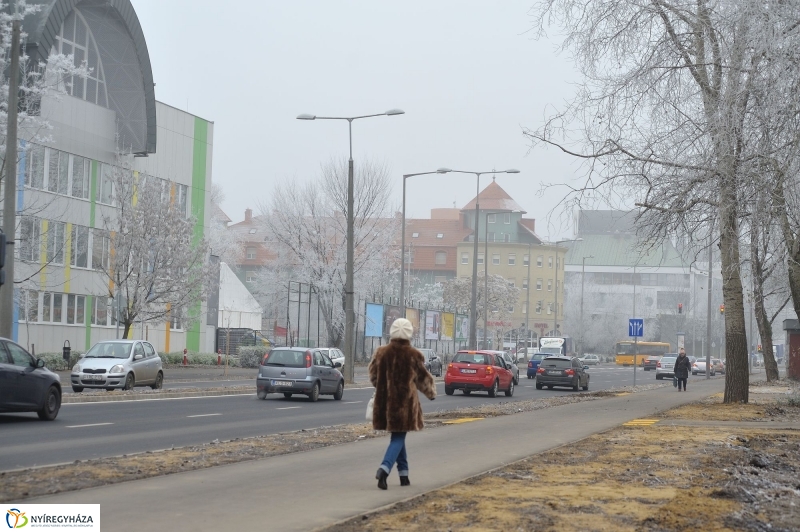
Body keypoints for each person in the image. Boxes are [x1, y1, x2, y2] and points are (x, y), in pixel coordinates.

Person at [368, 318, 436, 490]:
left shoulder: (381, 353)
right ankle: (384, 469)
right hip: (405, 404)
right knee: (399, 437)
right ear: (409, 333)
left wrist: (384, 386)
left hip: (385, 403)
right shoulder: (413, 355)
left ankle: (404, 475)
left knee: (398, 436)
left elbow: (373, 376)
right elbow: (423, 379)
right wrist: (431, 393)